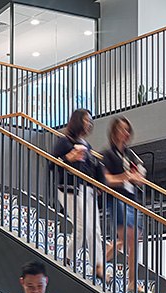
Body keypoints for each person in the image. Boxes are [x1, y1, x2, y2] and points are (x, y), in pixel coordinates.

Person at [51, 109, 144, 281]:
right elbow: (52, 163)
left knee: (95, 230)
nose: (89, 124)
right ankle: (68, 258)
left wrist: (101, 184)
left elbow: (93, 168)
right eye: (87, 121)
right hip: (69, 189)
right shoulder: (64, 142)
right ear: (78, 121)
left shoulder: (87, 146)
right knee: (82, 228)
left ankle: (99, 266)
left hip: (88, 190)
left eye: (91, 122)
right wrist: (68, 158)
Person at [100, 117, 147, 293]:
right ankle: (99, 264)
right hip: (117, 199)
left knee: (131, 241)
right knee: (128, 238)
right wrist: (127, 177)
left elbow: (141, 175)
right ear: (114, 132)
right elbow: (107, 180)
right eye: (122, 129)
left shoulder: (130, 154)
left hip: (132, 200)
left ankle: (132, 281)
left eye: (127, 130)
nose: (125, 133)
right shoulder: (108, 154)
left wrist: (135, 177)